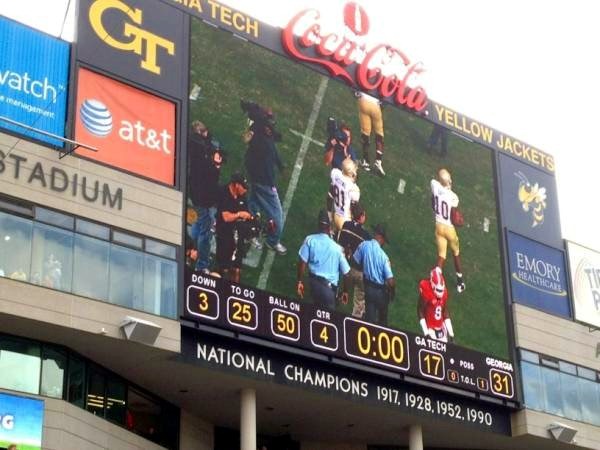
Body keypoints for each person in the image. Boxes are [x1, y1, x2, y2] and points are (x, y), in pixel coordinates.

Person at [243, 102, 287, 255]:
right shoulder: (260, 139)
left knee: (252, 206)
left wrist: (280, 165)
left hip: (256, 178)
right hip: (264, 182)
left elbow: (273, 145)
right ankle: (273, 241)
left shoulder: (261, 134)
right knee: (277, 216)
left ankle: (248, 232)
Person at [188, 120, 224, 273]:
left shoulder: (194, 147)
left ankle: (192, 247)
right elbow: (211, 176)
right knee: (206, 231)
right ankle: (201, 265)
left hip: (196, 193)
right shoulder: (202, 154)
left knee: (198, 222)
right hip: (204, 195)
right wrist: (216, 166)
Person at [297, 210, 350, 310]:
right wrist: (345, 291)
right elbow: (346, 273)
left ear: (318, 226)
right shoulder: (337, 249)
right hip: (328, 291)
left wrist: (299, 281)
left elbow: (302, 262)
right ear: (329, 227)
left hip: (313, 285)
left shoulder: (310, 240)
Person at [431, 168, 465, 292]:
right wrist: (460, 221)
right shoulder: (453, 197)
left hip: (438, 225)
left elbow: (433, 201)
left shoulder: (434, 185)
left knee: (441, 256)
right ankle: (460, 283)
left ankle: (436, 279)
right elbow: (453, 216)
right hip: (449, 228)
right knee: (456, 253)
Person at [215, 173, 254, 283]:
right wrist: (239, 214)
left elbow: (246, 213)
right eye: (244, 187)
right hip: (224, 234)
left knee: (236, 269)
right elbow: (226, 217)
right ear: (236, 185)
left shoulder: (242, 196)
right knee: (224, 268)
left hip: (238, 234)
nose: (245, 190)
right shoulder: (223, 192)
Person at [353, 224, 395, 325]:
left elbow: (355, 261)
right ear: (380, 237)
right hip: (380, 291)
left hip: (368, 288)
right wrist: (393, 292)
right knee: (382, 320)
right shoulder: (383, 257)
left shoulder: (364, 245)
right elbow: (390, 281)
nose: (384, 243)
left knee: (369, 319)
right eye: (384, 240)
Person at [336, 203, 370, 318]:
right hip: (359, 271)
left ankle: (336, 297)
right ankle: (356, 317)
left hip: (346, 267)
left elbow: (341, 245)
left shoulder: (346, 225)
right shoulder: (366, 235)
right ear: (361, 217)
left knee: (338, 285)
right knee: (360, 297)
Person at [418, 267, 454, 343]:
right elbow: (420, 311)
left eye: (441, 290)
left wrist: (451, 333)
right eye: (438, 290)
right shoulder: (426, 289)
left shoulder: (444, 292)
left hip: (441, 327)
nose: (440, 292)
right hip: (430, 328)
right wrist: (426, 332)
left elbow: (444, 311)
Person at [356, 92, 385, 176]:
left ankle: (366, 162)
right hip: (375, 105)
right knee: (379, 134)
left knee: (365, 133)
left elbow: (354, 90)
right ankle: (378, 161)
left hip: (363, 101)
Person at [329, 159, 360, 233]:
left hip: (335, 214)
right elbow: (355, 204)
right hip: (345, 220)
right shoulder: (353, 188)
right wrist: (354, 180)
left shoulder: (335, 173)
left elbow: (339, 174)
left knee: (332, 235)